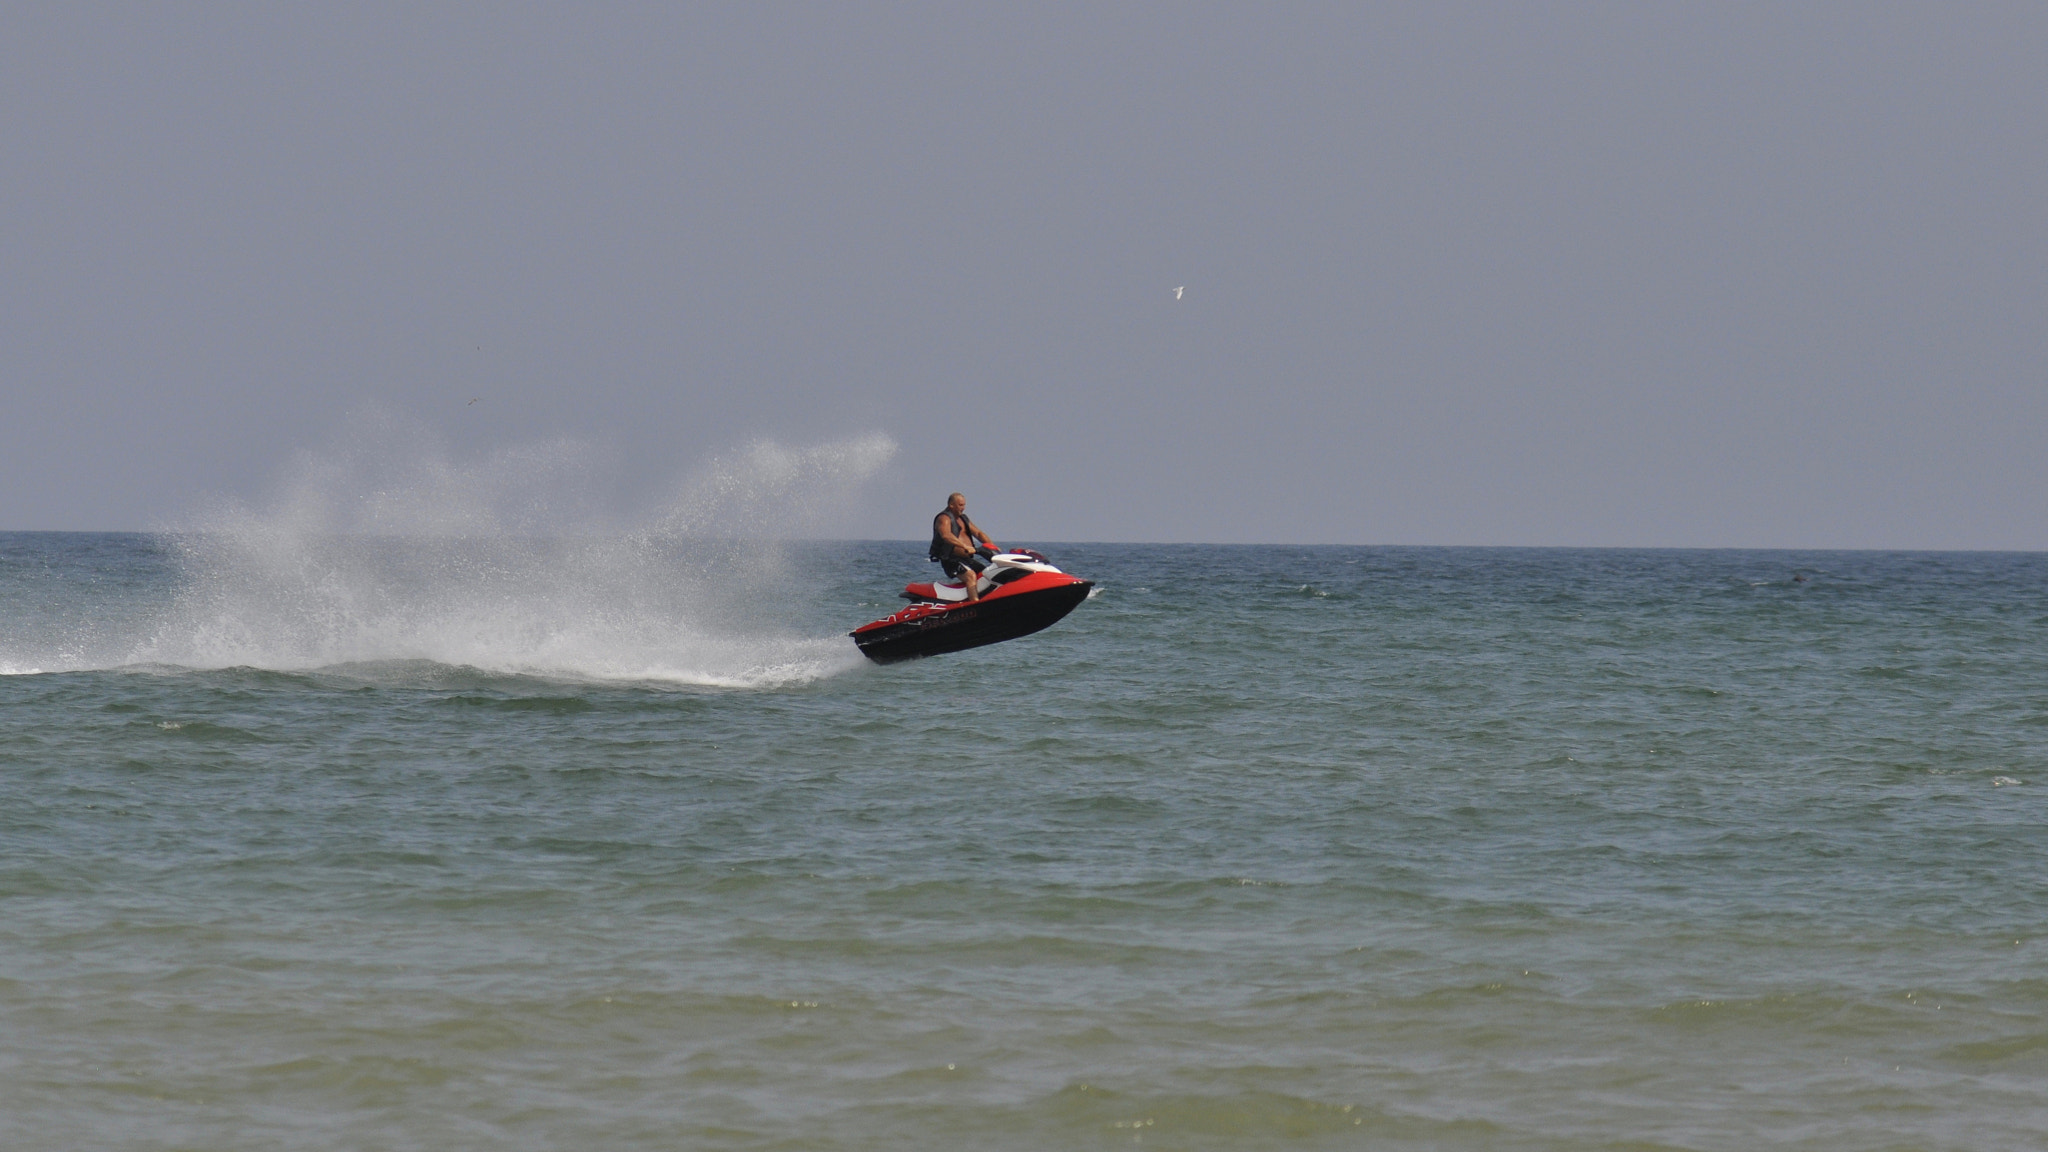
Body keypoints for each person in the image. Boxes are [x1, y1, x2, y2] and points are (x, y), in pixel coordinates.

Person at [930, 492, 999, 602]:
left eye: (964, 505)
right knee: (970, 576)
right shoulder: (944, 518)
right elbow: (946, 535)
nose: (963, 508)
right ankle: (975, 605)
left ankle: (987, 599)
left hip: (966, 559)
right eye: (960, 505)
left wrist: (992, 546)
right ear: (951, 505)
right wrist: (964, 546)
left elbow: (978, 533)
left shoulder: (963, 519)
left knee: (987, 574)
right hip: (951, 560)